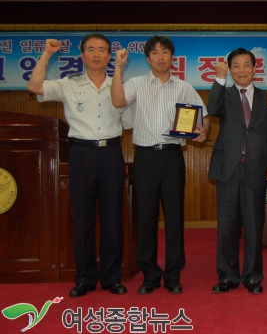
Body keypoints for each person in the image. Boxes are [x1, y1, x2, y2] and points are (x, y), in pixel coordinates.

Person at [27, 35, 132, 297]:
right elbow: (35, 85)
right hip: (81, 154)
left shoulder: (118, 85)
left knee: (112, 218)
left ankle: (111, 278)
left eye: (102, 50)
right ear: (82, 54)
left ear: (109, 56)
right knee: (83, 218)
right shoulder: (68, 84)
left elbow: (128, 122)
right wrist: (47, 54)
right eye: (91, 50)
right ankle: (84, 278)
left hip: (110, 154)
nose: (97, 54)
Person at [111, 35, 209, 295]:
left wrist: (203, 129)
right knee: (146, 218)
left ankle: (173, 274)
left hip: (172, 156)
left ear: (172, 57)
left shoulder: (184, 87)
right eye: (155, 53)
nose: (161, 57)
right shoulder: (136, 84)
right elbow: (119, 102)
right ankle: (150, 274)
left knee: (175, 216)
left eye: (165, 52)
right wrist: (118, 67)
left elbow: (203, 115)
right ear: (147, 58)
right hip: (145, 157)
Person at [208, 48, 267, 295]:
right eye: (236, 66)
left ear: (254, 68)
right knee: (227, 227)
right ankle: (227, 276)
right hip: (228, 169)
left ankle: (252, 276)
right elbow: (213, 109)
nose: (241, 70)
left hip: (256, 169)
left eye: (246, 65)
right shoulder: (224, 94)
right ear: (230, 70)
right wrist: (219, 79)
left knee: (253, 226)